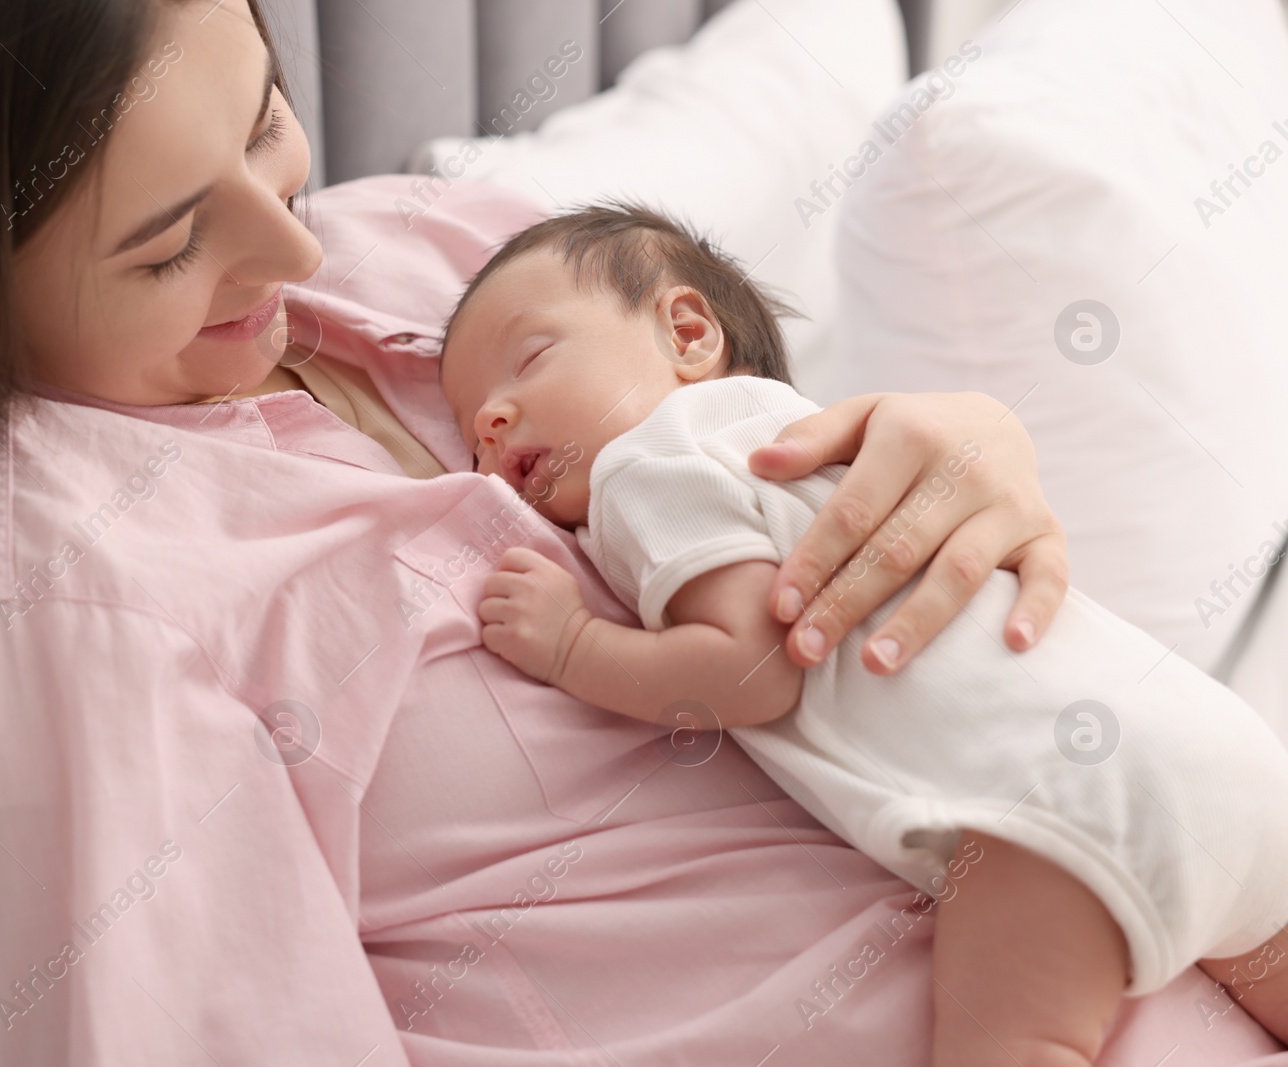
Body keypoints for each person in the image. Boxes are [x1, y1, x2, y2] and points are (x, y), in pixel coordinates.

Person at [0, 0, 1287, 1063]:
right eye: (165, 244)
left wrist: (953, 450)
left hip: (1172, 887)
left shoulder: (435, 251)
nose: (293, 238)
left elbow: (752, 457)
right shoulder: (45, 606)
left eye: (266, 119)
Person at [437, 204, 1288, 1067]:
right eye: (469, 430)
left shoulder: (645, 466)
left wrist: (572, 645)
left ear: (687, 331)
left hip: (1059, 806)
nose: (491, 423)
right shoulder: (800, 432)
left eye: (531, 360)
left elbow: (755, 667)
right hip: (1218, 749)